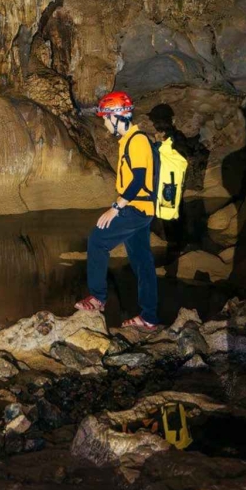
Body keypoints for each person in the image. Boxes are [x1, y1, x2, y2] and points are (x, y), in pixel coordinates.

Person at [74, 91, 159, 330]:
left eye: (105, 118)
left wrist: (115, 208)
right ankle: (149, 317)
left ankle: (97, 297)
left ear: (116, 116)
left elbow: (139, 180)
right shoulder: (129, 140)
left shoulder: (137, 140)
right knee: (142, 262)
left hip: (135, 207)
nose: (104, 123)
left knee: (97, 240)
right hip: (142, 208)